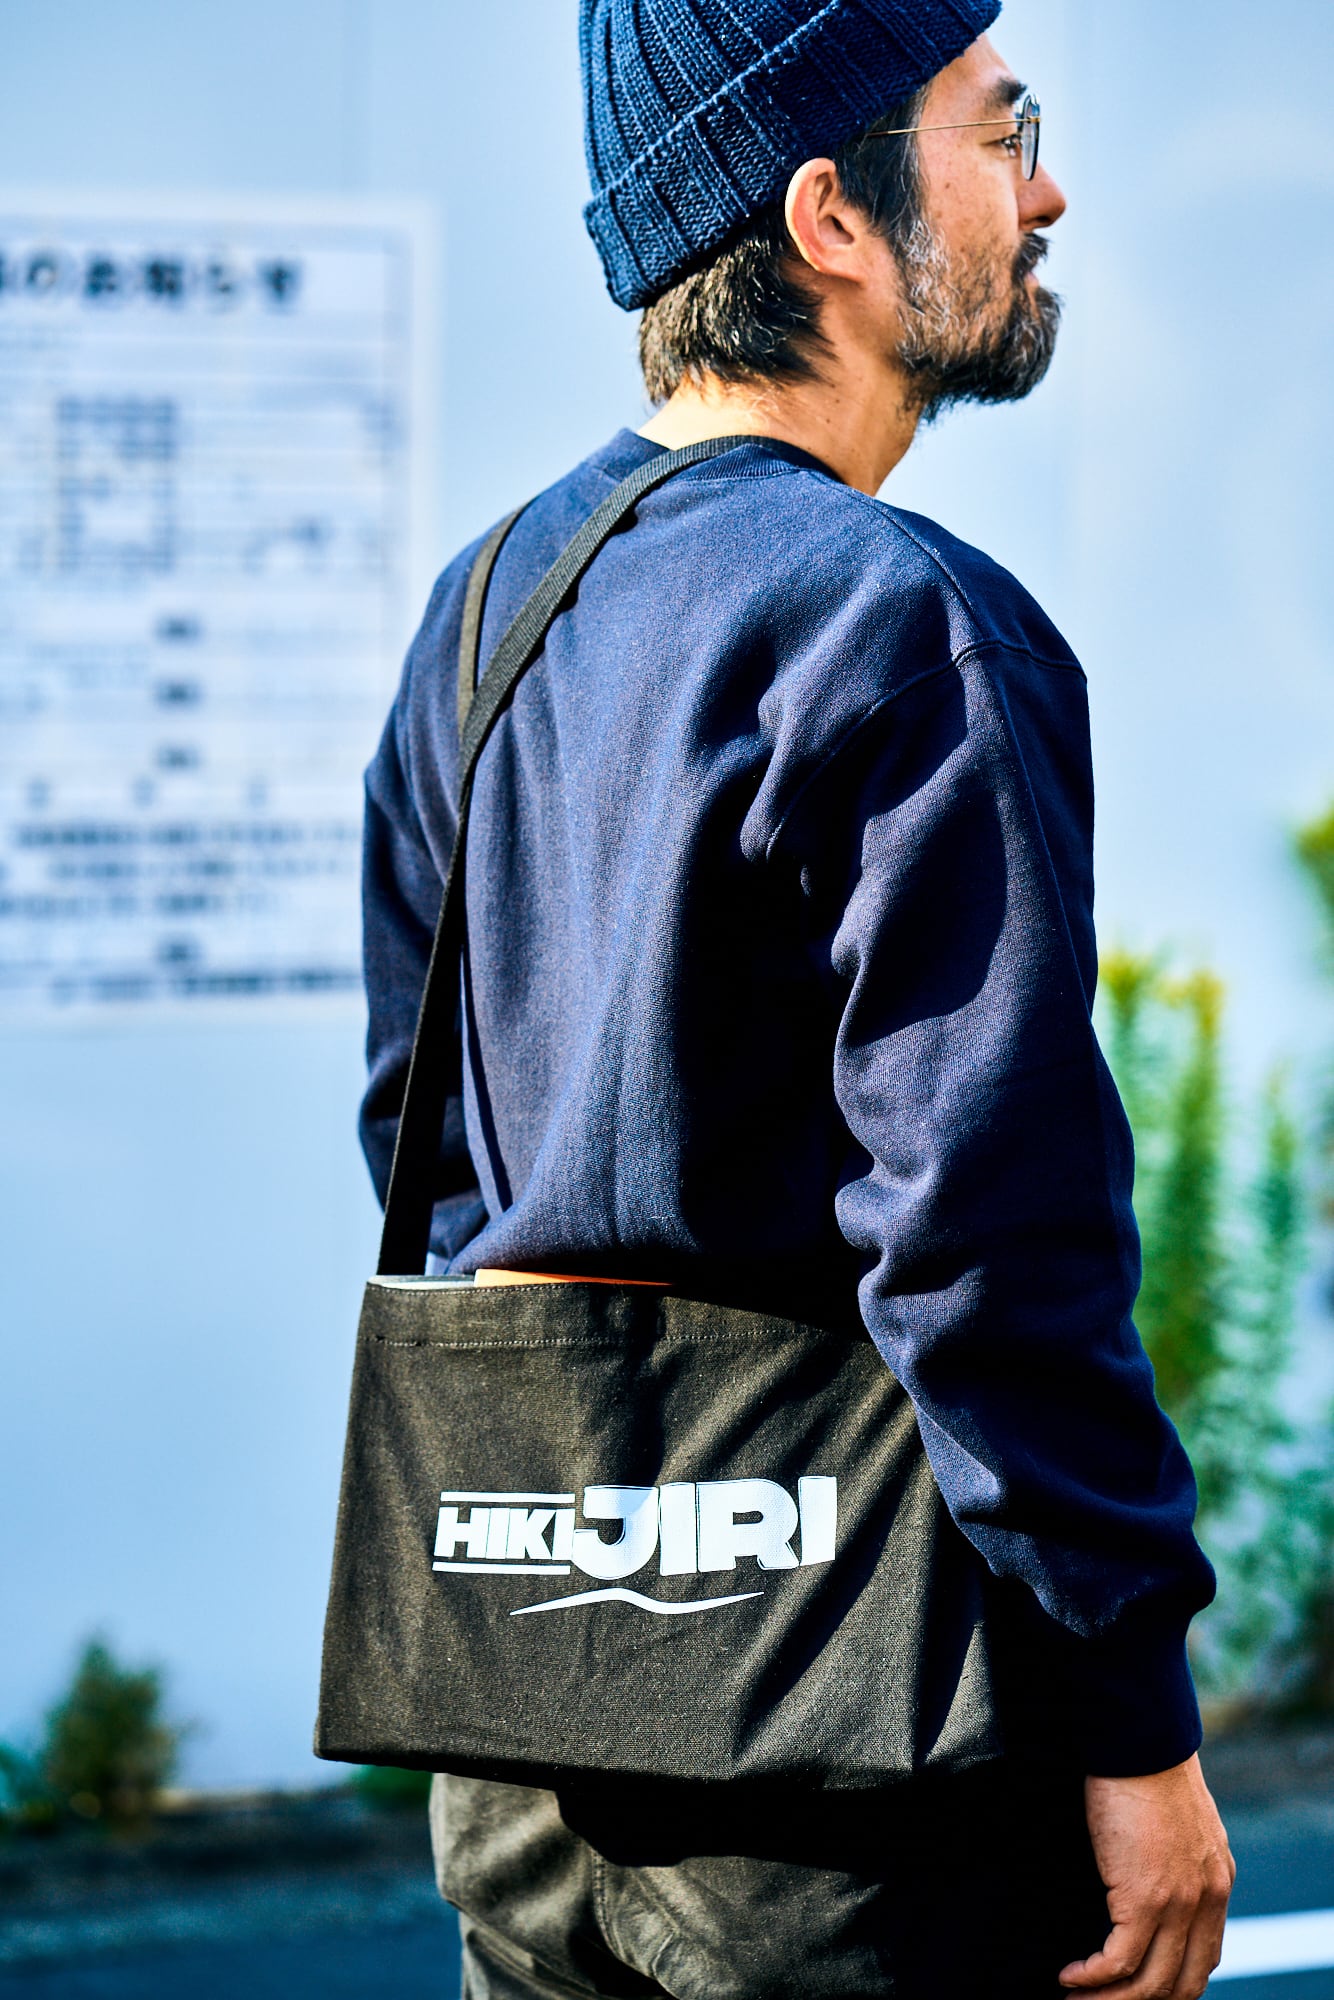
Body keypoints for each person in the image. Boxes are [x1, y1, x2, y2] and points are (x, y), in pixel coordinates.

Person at [360, 2, 1235, 1994]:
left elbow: (415, 1139)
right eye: (1001, 131)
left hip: (522, 1733)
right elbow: (988, 1234)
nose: (1045, 193)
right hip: (855, 1736)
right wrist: (1132, 1720)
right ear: (830, 215)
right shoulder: (901, 622)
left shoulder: (483, 610)